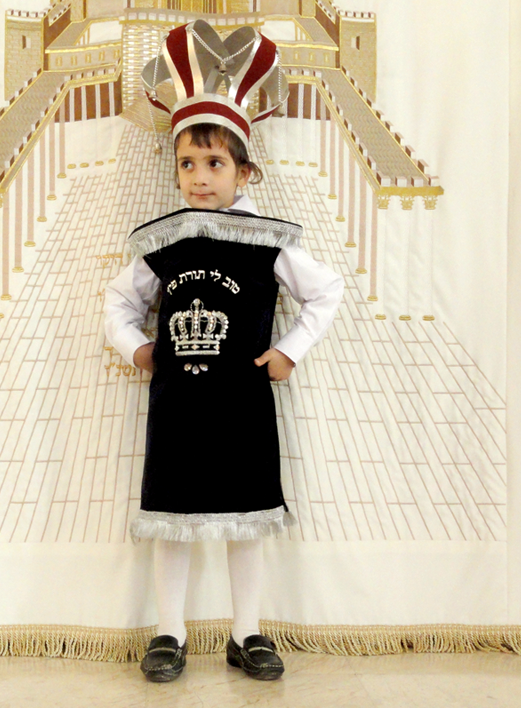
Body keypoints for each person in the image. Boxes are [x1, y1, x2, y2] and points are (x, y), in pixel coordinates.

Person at [103, 20, 344, 682]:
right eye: (187, 163)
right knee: (171, 518)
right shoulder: (164, 242)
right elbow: (118, 302)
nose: (199, 178)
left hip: (242, 404)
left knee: (245, 519)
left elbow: (325, 291)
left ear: (244, 171)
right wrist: (138, 348)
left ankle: (247, 631)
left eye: (214, 164)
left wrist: (289, 349)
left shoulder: (267, 241)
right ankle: (169, 632)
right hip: (177, 406)